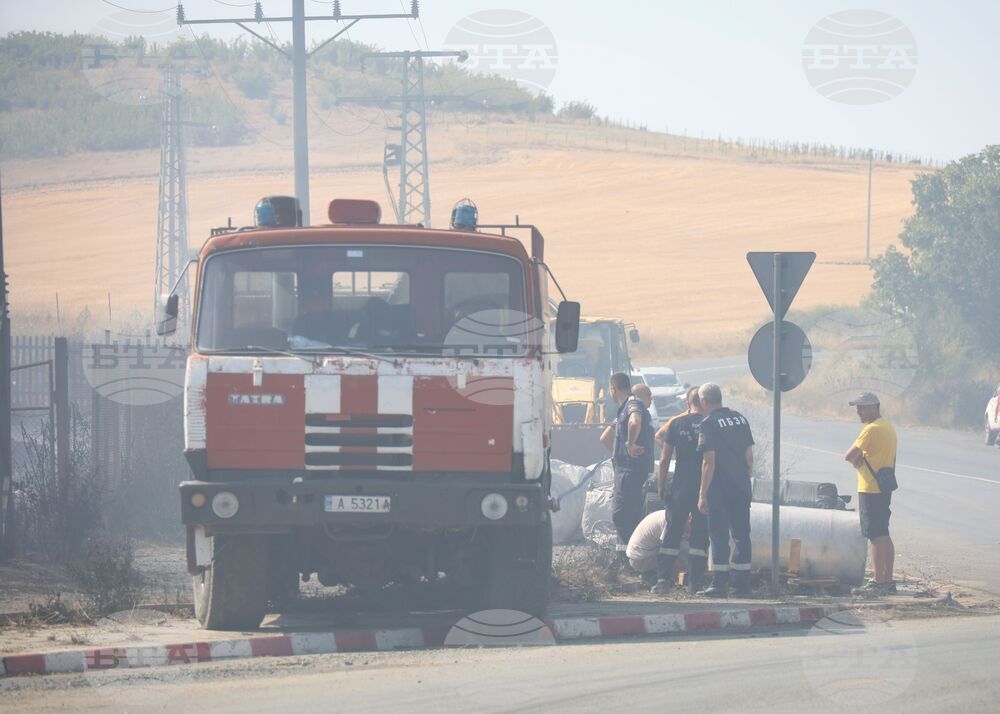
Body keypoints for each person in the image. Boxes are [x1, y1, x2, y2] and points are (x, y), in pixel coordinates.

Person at [696, 383, 755, 597]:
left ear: (704, 401)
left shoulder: (708, 424)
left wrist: (702, 494)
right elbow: (749, 458)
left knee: (719, 536)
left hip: (719, 488)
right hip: (741, 486)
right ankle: (741, 585)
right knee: (741, 535)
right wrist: (742, 479)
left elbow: (709, 462)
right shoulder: (740, 419)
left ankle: (719, 584)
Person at [651, 386, 709, 595]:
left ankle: (662, 580)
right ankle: (695, 583)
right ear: (703, 402)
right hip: (704, 487)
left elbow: (664, 458)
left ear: (687, 403)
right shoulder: (710, 424)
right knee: (700, 536)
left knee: (673, 532)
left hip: (680, 486)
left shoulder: (676, 423)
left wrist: (661, 485)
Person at [843, 392, 898, 595]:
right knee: (884, 533)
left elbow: (848, 455)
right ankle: (888, 579)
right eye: (857, 407)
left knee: (874, 535)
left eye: (862, 407)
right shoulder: (888, 427)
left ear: (874, 407)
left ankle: (878, 581)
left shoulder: (871, 429)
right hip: (883, 488)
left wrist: (857, 460)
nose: (858, 411)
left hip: (870, 488)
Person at [600, 372, 654, 569]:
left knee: (622, 515)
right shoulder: (624, 409)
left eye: (609, 389)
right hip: (624, 470)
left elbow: (635, 422)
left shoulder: (633, 405)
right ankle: (627, 561)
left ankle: (628, 563)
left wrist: (629, 445)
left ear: (613, 389)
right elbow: (605, 437)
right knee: (625, 516)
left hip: (631, 472)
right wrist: (619, 453)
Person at [626, 509, 670, 583]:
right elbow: (668, 549)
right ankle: (660, 580)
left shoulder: (669, 514)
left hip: (639, 557)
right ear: (690, 518)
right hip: (640, 559)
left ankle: (649, 575)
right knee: (675, 551)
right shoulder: (670, 520)